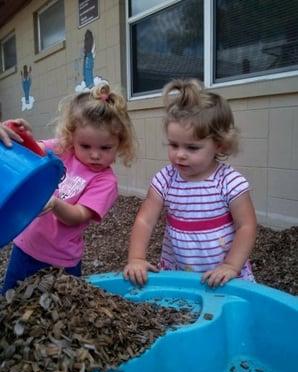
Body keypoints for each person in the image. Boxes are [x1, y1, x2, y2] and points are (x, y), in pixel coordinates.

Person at [0, 82, 135, 293]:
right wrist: (20, 133)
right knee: (10, 302)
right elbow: (33, 151)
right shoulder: (64, 149)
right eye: (86, 146)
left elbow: (77, 216)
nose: (95, 154)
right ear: (72, 137)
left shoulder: (105, 181)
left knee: (60, 319)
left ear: (120, 144)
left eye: (105, 147)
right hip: (25, 247)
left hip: (61, 261)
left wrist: (54, 203)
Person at [123, 78, 257, 288]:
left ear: (219, 145)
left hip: (222, 273)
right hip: (179, 270)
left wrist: (231, 265)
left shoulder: (229, 182)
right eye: (174, 145)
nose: (180, 155)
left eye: (192, 148)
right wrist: (136, 258)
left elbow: (246, 225)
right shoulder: (165, 179)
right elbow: (145, 220)